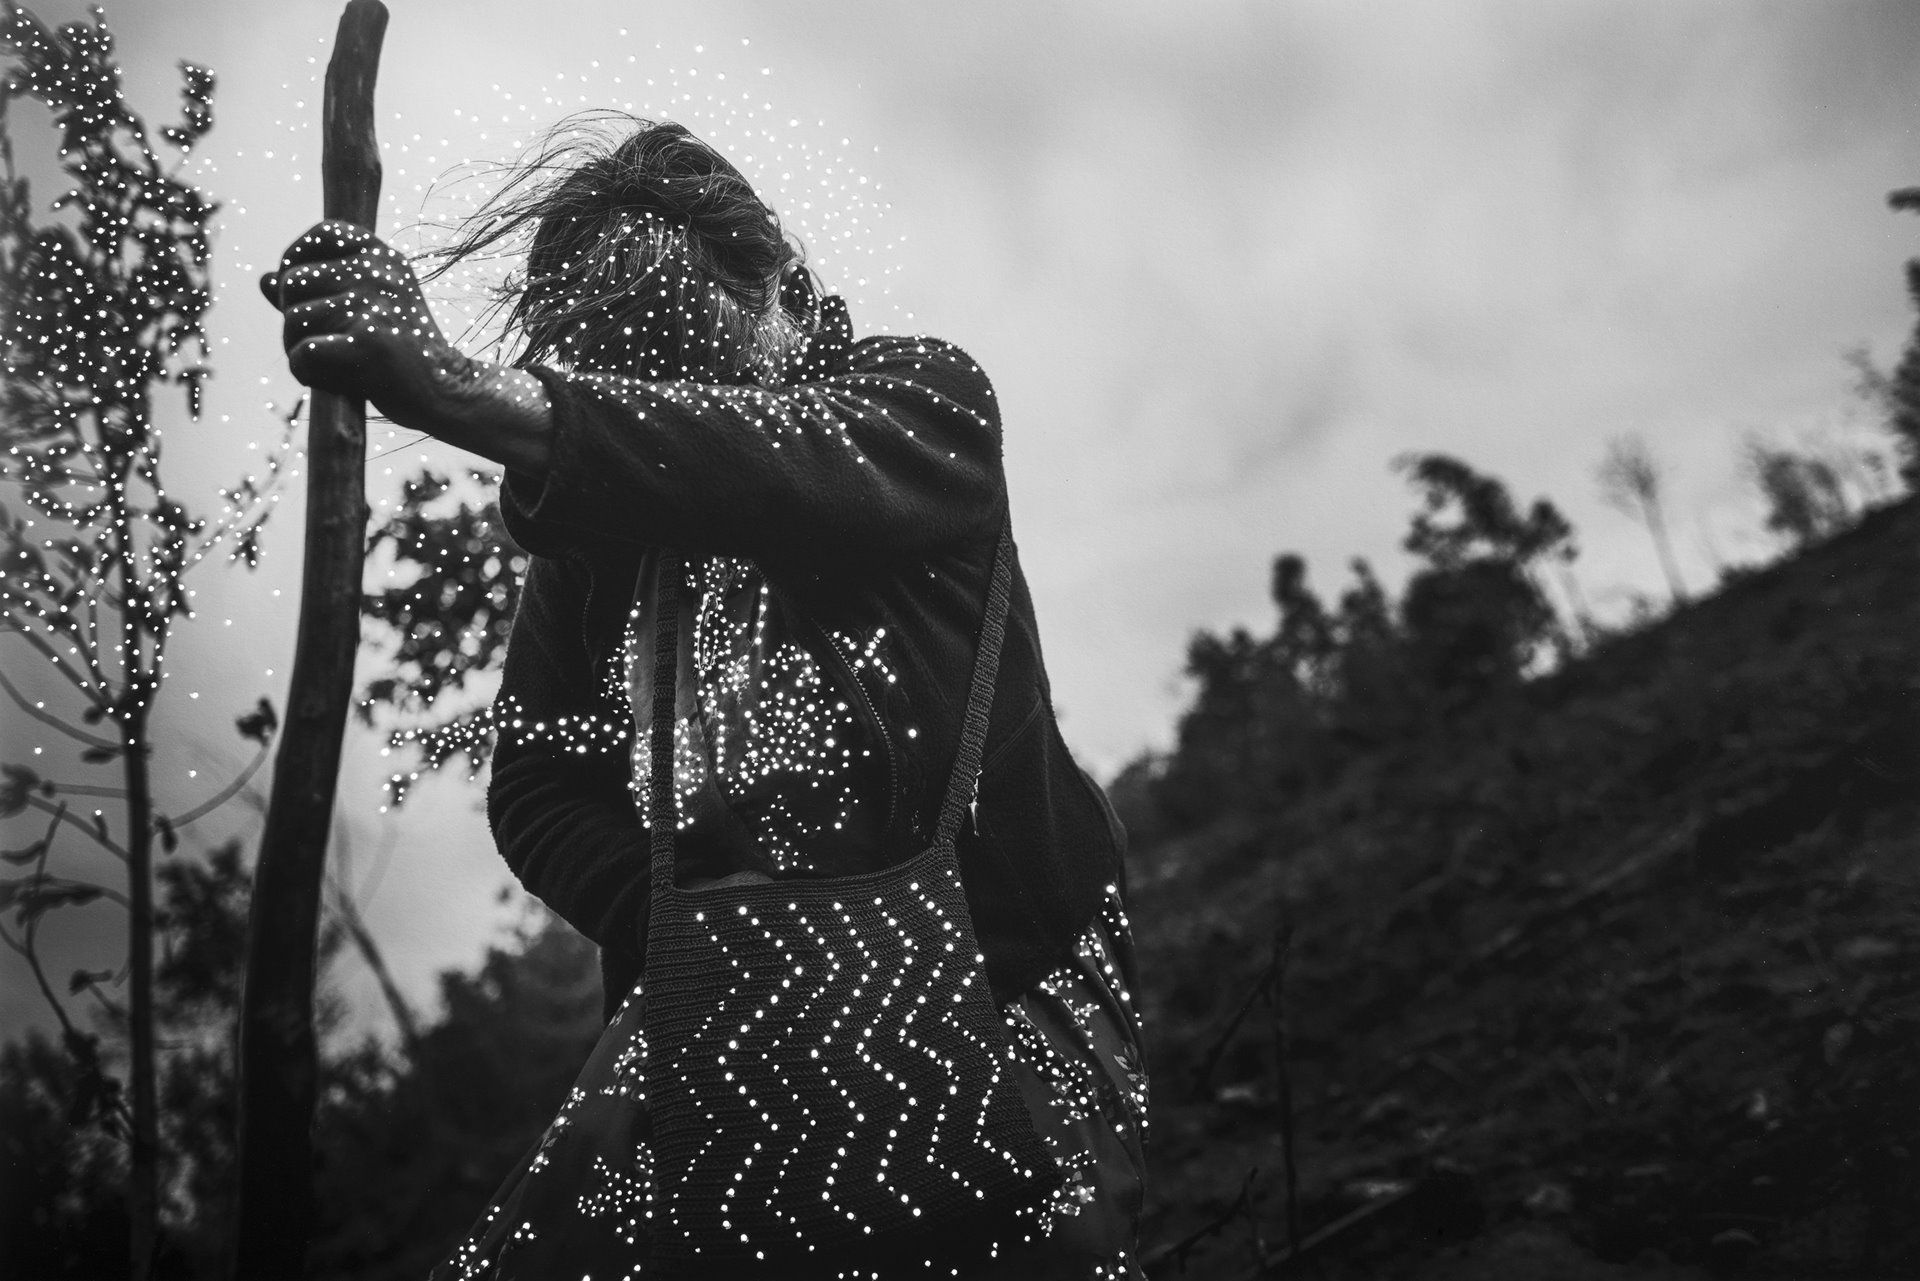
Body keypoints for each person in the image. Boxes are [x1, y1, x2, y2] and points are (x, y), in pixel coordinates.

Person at [261, 116, 1148, 1279]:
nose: (661, 396)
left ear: (788, 289)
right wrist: (680, 932)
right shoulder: (593, 560)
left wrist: (466, 398)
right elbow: (535, 781)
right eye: (627, 368)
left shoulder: (918, 406)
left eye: (687, 354)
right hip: (719, 1029)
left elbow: (774, 460)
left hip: (1005, 984)